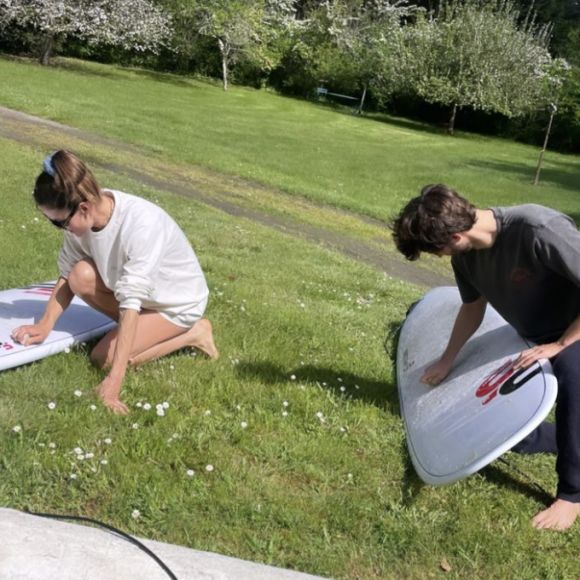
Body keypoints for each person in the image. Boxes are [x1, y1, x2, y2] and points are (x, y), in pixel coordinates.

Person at [392, 183, 580, 531]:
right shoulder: (466, 257)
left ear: (457, 236)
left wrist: (561, 345)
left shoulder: (538, 230)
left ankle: (572, 494)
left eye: (438, 252)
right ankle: (568, 439)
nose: (441, 258)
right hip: (532, 336)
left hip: (573, 330)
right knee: (500, 428)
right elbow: (472, 307)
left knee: (573, 374)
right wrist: (448, 359)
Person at [12, 150, 218, 415]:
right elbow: (66, 274)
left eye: (59, 222)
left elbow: (130, 304)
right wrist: (45, 324)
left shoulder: (142, 225)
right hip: (142, 298)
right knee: (79, 274)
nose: (58, 228)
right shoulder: (82, 214)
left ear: (83, 208)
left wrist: (114, 382)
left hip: (176, 304)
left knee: (103, 359)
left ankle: (193, 333)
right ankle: (146, 331)